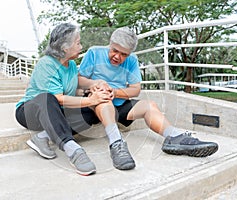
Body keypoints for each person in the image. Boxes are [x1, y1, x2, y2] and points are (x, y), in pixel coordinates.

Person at [78, 27, 219, 164]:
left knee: (149, 106)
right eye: (115, 51)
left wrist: (115, 92)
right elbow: (79, 80)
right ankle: (116, 142)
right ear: (110, 44)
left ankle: (174, 137)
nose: (117, 57)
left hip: (119, 105)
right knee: (102, 96)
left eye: (124, 55)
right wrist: (95, 84)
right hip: (93, 105)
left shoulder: (132, 60)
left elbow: (135, 90)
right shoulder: (94, 53)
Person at [15, 23, 113, 176]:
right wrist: (91, 100)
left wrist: (97, 85)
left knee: (92, 112)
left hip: (56, 112)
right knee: (47, 98)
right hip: (30, 112)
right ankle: (72, 149)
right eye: (78, 43)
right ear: (65, 47)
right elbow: (58, 99)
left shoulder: (72, 64)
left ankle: (43, 137)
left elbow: (78, 83)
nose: (81, 46)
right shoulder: (46, 63)